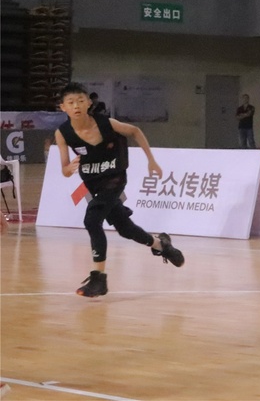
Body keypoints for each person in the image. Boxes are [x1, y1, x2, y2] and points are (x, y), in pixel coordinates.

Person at [54, 82, 184, 298]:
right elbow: (65, 170)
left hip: (115, 179)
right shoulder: (63, 133)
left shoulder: (106, 123)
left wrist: (151, 160)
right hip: (93, 184)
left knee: (92, 220)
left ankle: (99, 278)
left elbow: (135, 131)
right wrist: (69, 168)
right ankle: (162, 245)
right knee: (125, 229)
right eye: (71, 102)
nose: (76, 105)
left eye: (80, 100)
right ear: (63, 107)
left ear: (88, 103)